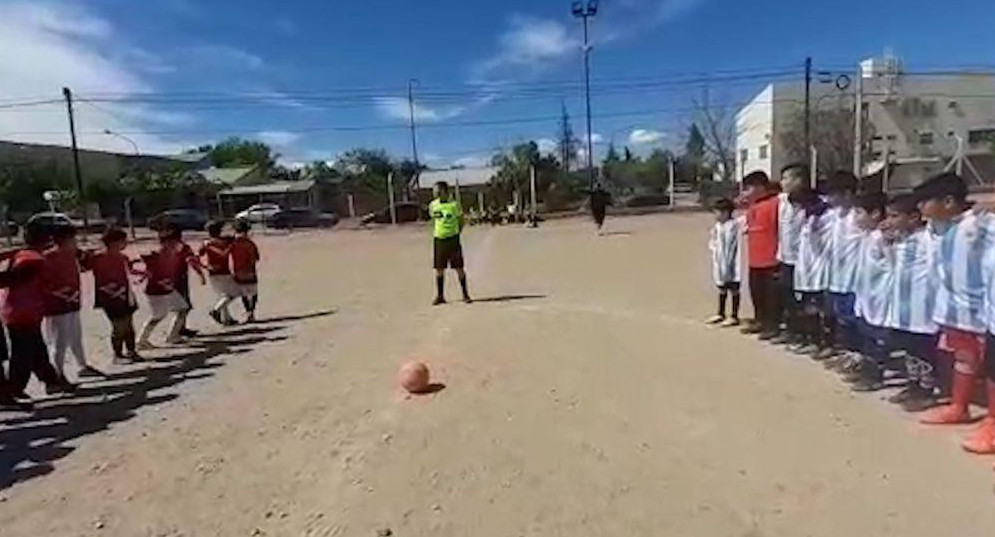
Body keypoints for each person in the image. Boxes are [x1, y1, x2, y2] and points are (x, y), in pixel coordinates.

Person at [913, 173, 995, 455]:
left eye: (925, 201)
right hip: (955, 310)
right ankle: (959, 406)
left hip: (981, 311)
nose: (920, 207)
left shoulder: (980, 224)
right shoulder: (939, 227)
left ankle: (993, 424)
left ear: (948, 202)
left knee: (990, 368)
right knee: (964, 360)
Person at [0, 221, 71, 403]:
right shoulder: (32, 260)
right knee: (23, 354)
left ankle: (50, 380)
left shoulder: (26, 256)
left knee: (37, 349)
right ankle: (14, 388)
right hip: (22, 313)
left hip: (24, 312)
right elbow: (13, 279)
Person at [883, 194, 940, 412]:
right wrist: (889, 244)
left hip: (921, 307)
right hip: (903, 305)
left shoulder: (928, 239)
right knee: (909, 348)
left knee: (922, 348)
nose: (890, 220)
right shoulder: (900, 239)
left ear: (914, 217)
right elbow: (894, 266)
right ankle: (913, 384)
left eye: (895, 216)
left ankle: (927, 390)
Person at [42, 225, 104, 383]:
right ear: (64, 240)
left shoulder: (72, 255)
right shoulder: (49, 257)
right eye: (72, 239)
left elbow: (85, 267)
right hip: (57, 304)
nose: (75, 242)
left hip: (73, 301)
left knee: (76, 336)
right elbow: (44, 282)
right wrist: (63, 293)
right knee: (59, 341)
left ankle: (82, 366)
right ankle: (57, 373)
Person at [845, 191, 893, 392]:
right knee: (866, 333)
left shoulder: (883, 239)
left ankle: (876, 375)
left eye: (859, 212)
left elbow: (893, 265)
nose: (855, 218)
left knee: (878, 337)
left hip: (881, 296)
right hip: (866, 295)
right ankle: (867, 368)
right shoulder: (867, 235)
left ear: (875, 214)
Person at [821, 171, 863, 365]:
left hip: (854, 279)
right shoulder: (834, 215)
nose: (829, 199)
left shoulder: (858, 215)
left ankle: (858, 356)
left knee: (853, 318)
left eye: (834, 194)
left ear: (847, 193)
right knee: (841, 318)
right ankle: (845, 352)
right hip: (837, 276)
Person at [788, 184, 834, 356]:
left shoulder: (827, 216)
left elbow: (823, 244)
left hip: (820, 269)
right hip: (806, 269)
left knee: (822, 308)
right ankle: (812, 340)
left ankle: (826, 344)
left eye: (798, 205)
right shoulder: (807, 216)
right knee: (807, 306)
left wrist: (814, 223)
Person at [86, 227, 143, 364]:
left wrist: (142, 274)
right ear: (113, 242)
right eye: (123, 241)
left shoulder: (123, 257)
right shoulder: (98, 258)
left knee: (129, 324)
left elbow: (129, 271)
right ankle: (117, 355)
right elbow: (85, 267)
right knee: (118, 326)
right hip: (109, 297)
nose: (125, 244)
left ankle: (131, 351)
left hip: (125, 295)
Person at [136, 228, 195, 349]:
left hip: (169, 290)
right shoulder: (155, 256)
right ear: (163, 243)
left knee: (183, 308)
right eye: (170, 243)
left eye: (175, 243)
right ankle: (141, 340)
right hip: (156, 291)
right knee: (157, 316)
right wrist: (142, 274)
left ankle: (173, 336)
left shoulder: (174, 255)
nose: (174, 245)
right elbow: (143, 264)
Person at [771, 163, 809, 345]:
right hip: (785, 258)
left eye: (787, 178)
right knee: (787, 296)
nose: (782, 182)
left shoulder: (810, 204)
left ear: (799, 180)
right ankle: (792, 331)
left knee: (804, 300)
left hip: (803, 262)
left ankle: (805, 335)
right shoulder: (782, 200)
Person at [740, 171, 781, 337]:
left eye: (748, 188)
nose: (745, 193)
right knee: (756, 292)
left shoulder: (775, 204)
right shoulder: (752, 207)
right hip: (755, 260)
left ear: (759, 187)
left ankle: (773, 325)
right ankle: (760, 320)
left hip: (771, 259)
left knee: (771, 296)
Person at [429, 181, 472, 305]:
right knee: (439, 268)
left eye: (437, 190)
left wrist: (456, 231)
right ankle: (440, 296)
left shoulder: (454, 205)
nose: (435, 193)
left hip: (453, 239)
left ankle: (465, 294)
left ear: (443, 191)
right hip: (439, 239)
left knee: (459, 267)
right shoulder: (433, 205)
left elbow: (461, 220)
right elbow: (434, 220)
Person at [160, 224, 205, 338]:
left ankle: (181, 328)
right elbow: (192, 261)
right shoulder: (183, 248)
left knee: (182, 305)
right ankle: (176, 331)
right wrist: (201, 275)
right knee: (183, 306)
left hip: (170, 280)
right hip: (178, 280)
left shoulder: (163, 249)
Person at [706, 198, 742, 326]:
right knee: (722, 288)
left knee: (734, 288)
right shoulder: (717, 227)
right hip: (720, 261)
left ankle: (734, 315)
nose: (716, 215)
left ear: (726, 212)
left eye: (718, 212)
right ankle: (720, 313)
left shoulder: (733, 225)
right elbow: (713, 242)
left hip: (732, 262)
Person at [200, 220, 237, 326]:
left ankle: (227, 319)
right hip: (224, 271)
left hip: (212, 272)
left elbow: (199, 255)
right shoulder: (226, 241)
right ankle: (216, 310)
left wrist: (205, 266)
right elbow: (234, 238)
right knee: (232, 294)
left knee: (222, 296)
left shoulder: (206, 243)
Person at [230, 219, 261, 323]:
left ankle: (248, 311)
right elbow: (255, 258)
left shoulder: (232, 243)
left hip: (238, 271)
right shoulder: (250, 244)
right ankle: (251, 312)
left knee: (244, 294)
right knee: (253, 293)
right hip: (250, 271)